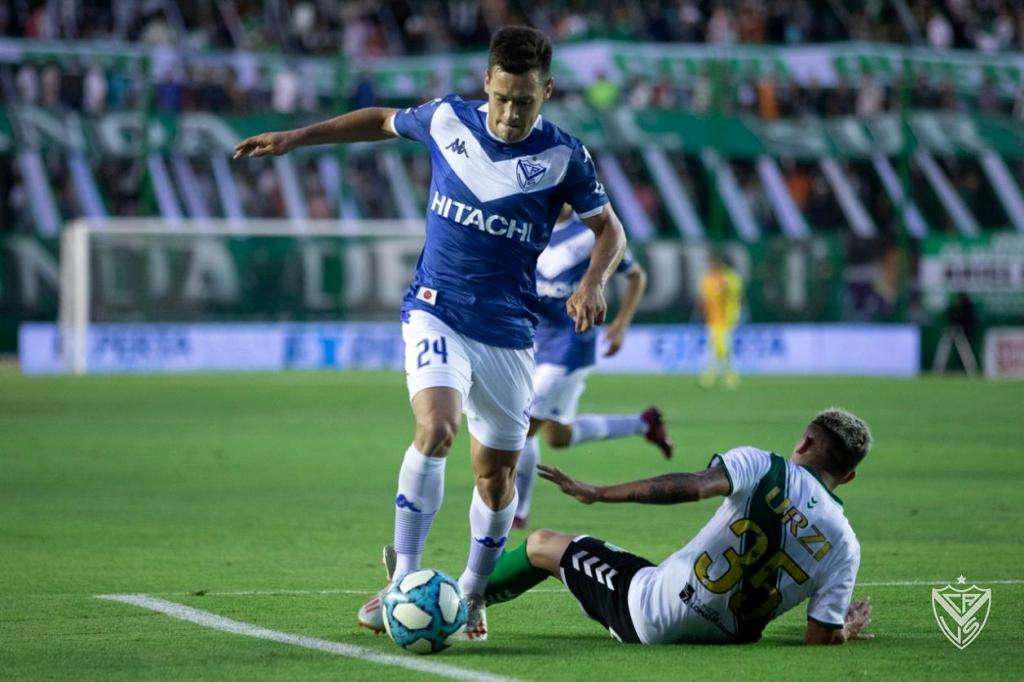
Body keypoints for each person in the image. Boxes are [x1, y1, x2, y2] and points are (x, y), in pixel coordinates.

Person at [233, 26, 626, 642]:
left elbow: (611, 232)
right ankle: (404, 579)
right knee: (436, 428)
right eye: (500, 97)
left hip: (508, 331)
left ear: (546, 91)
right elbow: (380, 120)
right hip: (435, 309)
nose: (510, 112)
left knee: (495, 477)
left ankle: (470, 593)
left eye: (524, 100)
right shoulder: (445, 119)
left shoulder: (564, 157)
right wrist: (296, 138)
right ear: (486, 84)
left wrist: (593, 283)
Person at [482, 408, 874, 646]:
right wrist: (846, 629)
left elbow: (692, 486)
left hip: (652, 613)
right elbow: (820, 636)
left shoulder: (764, 467)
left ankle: (464, 599)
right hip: (728, 640)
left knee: (541, 544)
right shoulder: (845, 544)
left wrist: (599, 492)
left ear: (805, 442)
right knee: (641, 566)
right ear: (851, 476)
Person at [514, 204, 673, 529]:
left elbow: (636, 276)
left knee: (523, 423)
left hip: (572, 345)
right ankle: (644, 424)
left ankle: (517, 510)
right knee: (558, 436)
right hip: (534, 342)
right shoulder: (527, 227)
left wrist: (621, 324)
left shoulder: (592, 233)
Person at [698, 251, 742, 389]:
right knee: (718, 348)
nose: (709, 266)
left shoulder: (730, 278)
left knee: (721, 348)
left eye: (711, 263)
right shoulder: (708, 280)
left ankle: (712, 377)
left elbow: (735, 295)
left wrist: (724, 288)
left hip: (726, 319)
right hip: (712, 319)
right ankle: (726, 376)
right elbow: (705, 298)